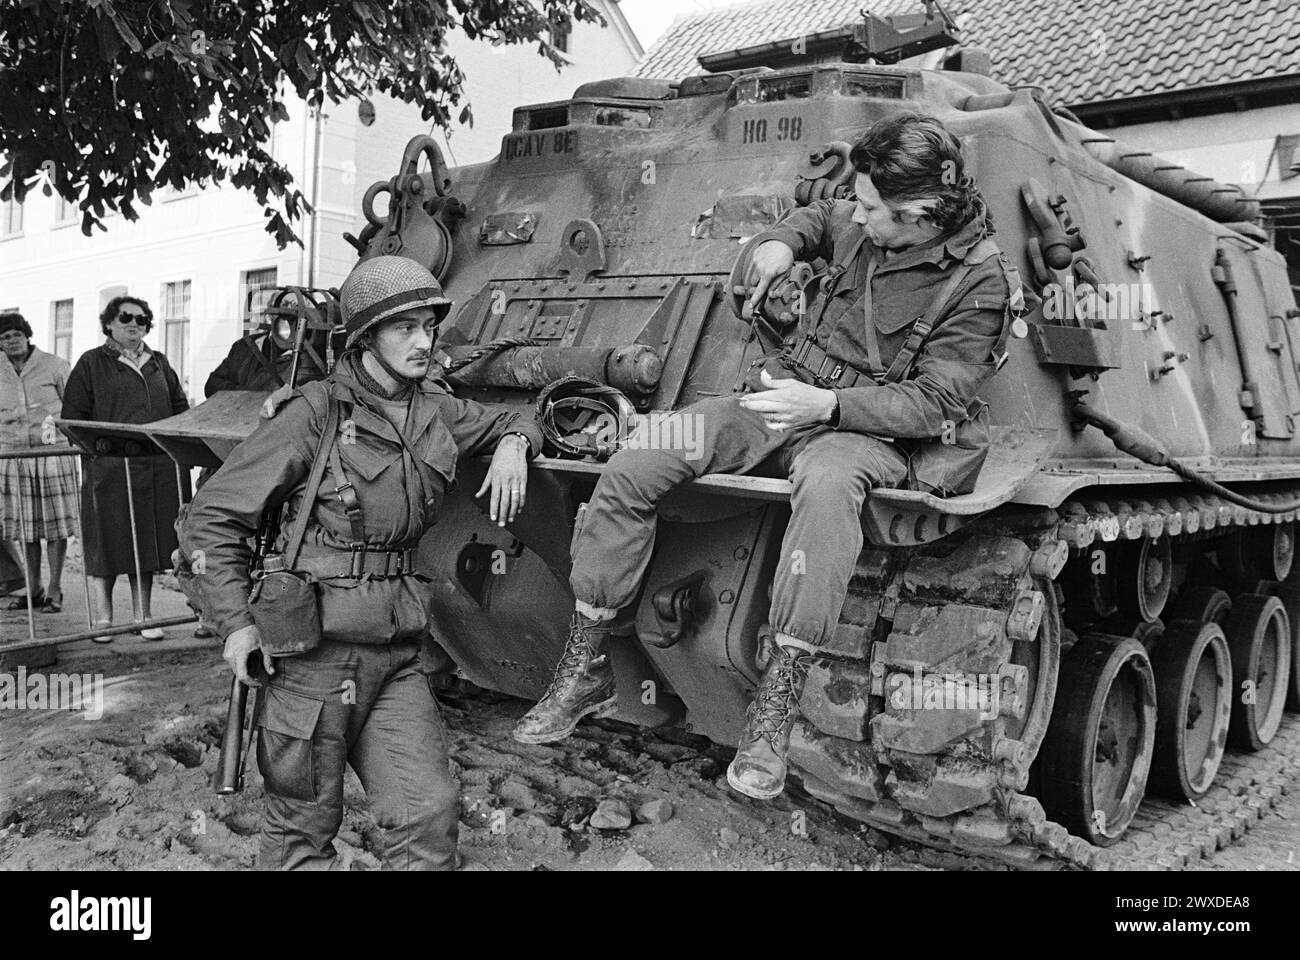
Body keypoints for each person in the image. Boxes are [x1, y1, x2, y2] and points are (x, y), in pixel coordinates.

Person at [513, 113, 1020, 801]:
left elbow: (936, 402)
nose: (858, 217)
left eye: (873, 210)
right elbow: (815, 217)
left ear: (921, 213)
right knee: (643, 456)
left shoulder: (979, 285)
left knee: (825, 484)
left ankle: (774, 711)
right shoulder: (859, 215)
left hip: (864, 433)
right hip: (777, 399)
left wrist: (831, 410)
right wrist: (777, 244)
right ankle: (588, 662)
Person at [181, 255, 542, 870]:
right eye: (406, 329)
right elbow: (210, 520)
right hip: (312, 654)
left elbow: (522, 414)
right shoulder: (313, 414)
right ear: (366, 337)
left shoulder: (436, 408)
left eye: (430, 327)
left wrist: (514, 443)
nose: (424, 341)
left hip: (397, 649)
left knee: (427, 814)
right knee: (303, 832)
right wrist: (235, 625)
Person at [62, 296, 190, 642]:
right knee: (108, 538)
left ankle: (144, 616)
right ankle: (104, 618)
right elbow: (72, 417)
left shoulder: (160, 362)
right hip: (110, 467)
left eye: (142, 319)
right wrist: (96, 453)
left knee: (146, 541)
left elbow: (181, 409)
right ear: (109, 324)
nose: (134, 323)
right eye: (125, 317)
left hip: (154, 466)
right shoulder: (91, 363)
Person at [0, 311, 79, 613]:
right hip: (13, 456)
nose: (12, 341)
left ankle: (56, 589)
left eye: (17, 334)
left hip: (52, 454)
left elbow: (74, 409)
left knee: (56, 526)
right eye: (5, 337)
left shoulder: (54, 365)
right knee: (25, 528)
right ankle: (33, 588)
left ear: (27, 335)